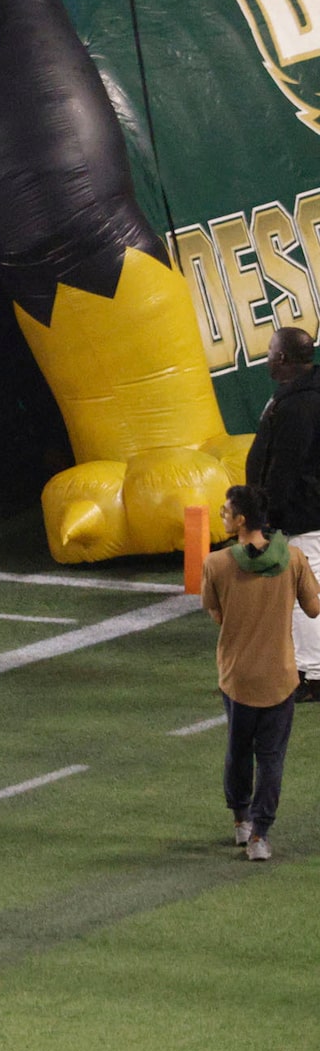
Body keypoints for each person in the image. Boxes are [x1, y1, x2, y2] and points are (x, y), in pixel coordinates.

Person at [206, 485, 320, 861]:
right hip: (281, 676)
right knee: (271, 758)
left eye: (226, 511)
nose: (221, 514)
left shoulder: (218, 563)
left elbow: (217, 614)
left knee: (238, 752)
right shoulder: (294, 558)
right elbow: (314, 609)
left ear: (241, 520)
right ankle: (260, 836)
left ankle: (240, 820)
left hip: (237, 677)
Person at [249, 328, 320, 695]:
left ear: (282, 359)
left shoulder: (299, 405)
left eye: (270, 351)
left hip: (302, 515)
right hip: (307, 511)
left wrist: (267, 513)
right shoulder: (299, 396)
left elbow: (285, 467)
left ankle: (312, 675)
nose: (266, 357)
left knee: (302, 597)